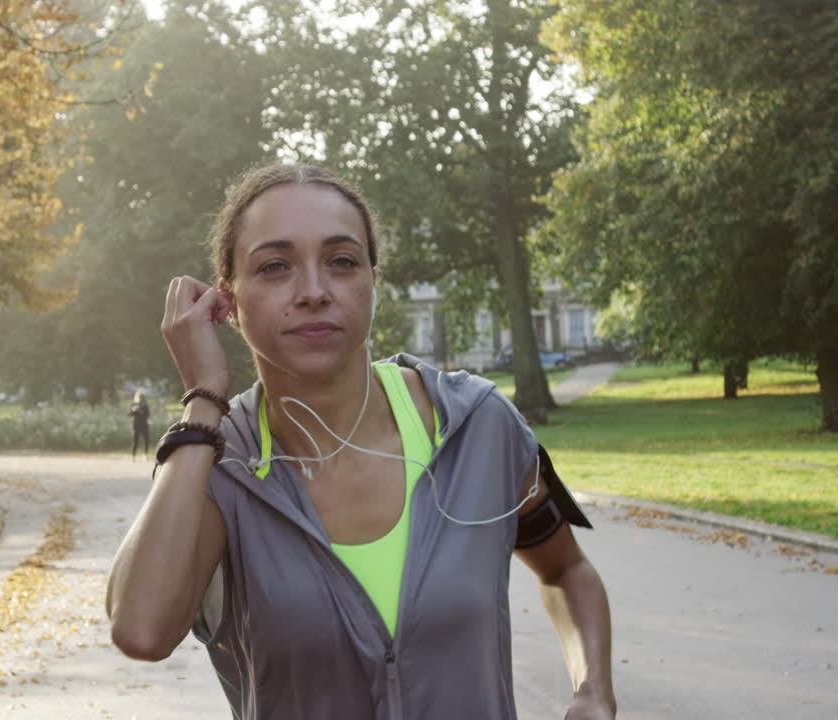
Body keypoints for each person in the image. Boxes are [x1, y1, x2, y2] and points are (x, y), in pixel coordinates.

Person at [107, 163, 616, 719]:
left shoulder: (477, 425)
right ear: (227, 302)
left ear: (374, 280)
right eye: (275, 267)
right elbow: (141, 631)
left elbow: (566, 571)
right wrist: (203, 399)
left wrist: (593, 691)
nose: (314, 292)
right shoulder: (217, 464)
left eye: (342, 261)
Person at [129, 391, 151, 459]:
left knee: (146, 440)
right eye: (139, 397)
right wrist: (133, 410)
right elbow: (129, 414)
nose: (140, 398)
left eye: (141, 397)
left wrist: (141, 411)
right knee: (135, 441)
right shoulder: (133, 404)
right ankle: (133, 455)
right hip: (135, 425)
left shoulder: (145, 405)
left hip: (144, 424)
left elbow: (147, 414)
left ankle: (145, 454)